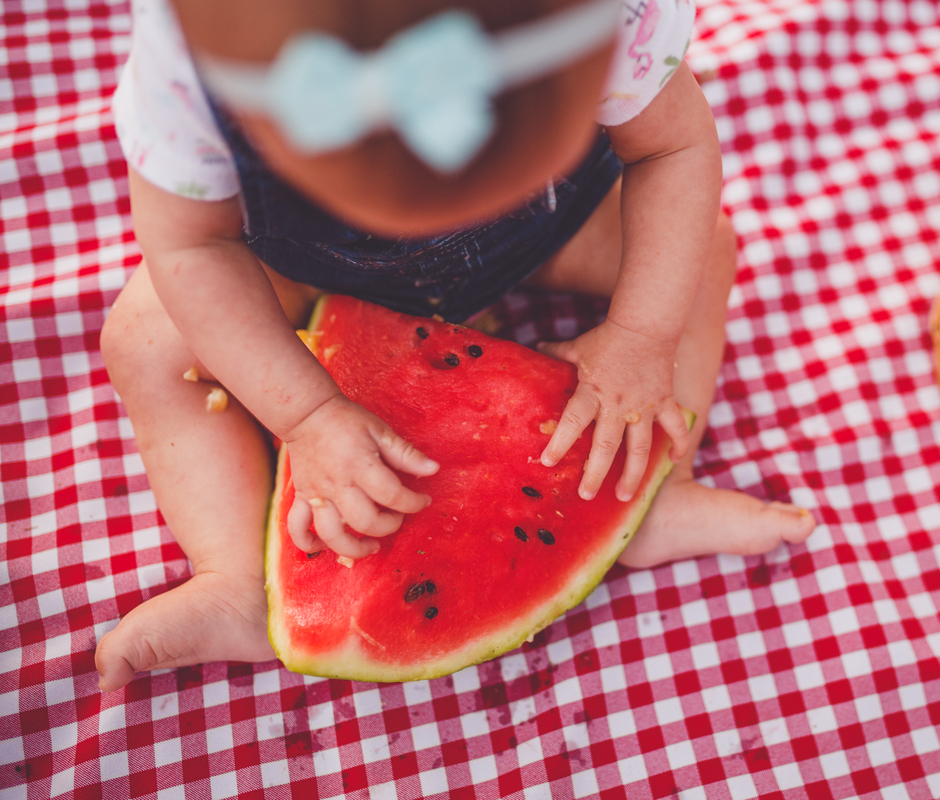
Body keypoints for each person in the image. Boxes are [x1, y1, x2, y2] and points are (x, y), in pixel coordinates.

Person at [95, 0, 815, 692]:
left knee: (704, 249)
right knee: (145, 341)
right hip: (295, 263)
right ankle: (234, 578)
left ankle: (659, 482)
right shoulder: (193, 71)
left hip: (545, 229)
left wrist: (641, 335)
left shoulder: (610, 16)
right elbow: (194, 245)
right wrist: (306, 414)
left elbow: (673, 146)